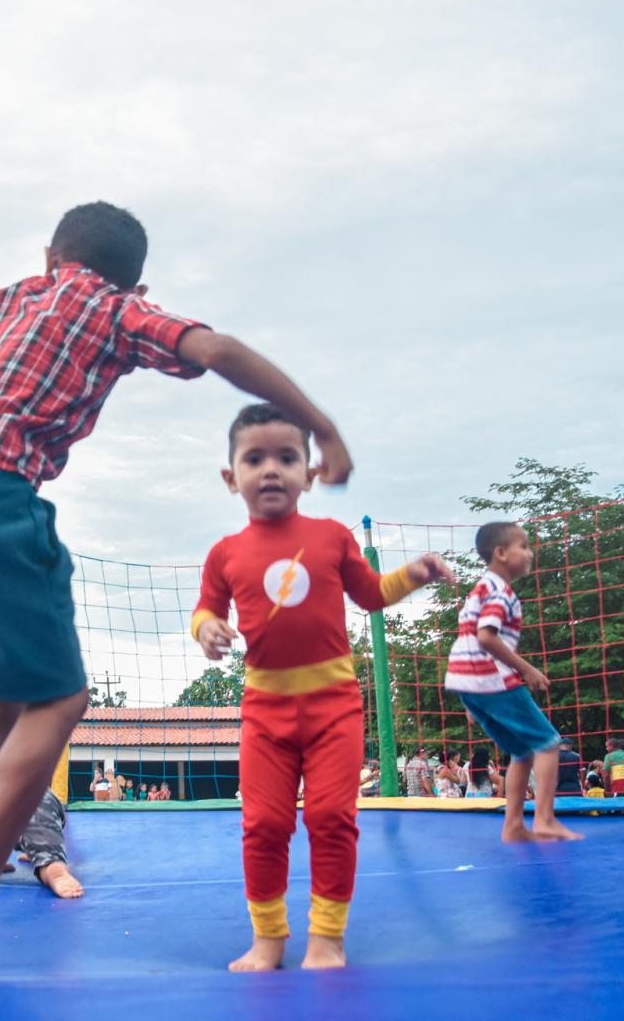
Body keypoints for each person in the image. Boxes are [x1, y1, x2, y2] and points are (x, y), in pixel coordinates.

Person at [0, 202, 353, 975]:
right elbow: (213, 347)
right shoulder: (120, 309)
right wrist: (319, 425)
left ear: (51, 256)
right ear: (138, 283)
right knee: (60, 699)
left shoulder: (14, 295)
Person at [189, 404, 447, 971]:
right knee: (264, 825)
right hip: (265, 713)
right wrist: (206, 628)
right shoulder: (225, 552)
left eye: (287, 457)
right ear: (232, 478)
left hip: (334, 709)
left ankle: (327, 939)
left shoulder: (330, 536)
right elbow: (207, 607)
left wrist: (414, 574)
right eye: (255, 459)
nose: (272, 470)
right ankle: (268, 941)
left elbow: (373, 593)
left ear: (309, 473)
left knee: (331, 817)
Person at [444, 522, 582, 845]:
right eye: (523, 546)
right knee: (548, 742)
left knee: (521, 750)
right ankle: (545, 819)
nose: (529, 552)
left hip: (467, 679)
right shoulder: (500, 591)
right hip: (489, 677)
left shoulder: (480, 588)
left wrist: (471, 699)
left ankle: (514, 826)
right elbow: (486, 636)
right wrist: (527, 669)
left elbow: (470, 636)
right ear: (501, 553)